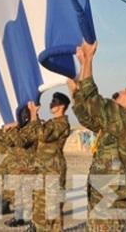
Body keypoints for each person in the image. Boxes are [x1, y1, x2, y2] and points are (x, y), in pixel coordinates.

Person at [68, 40, 126, 232]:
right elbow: (87, 117)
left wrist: (88, 60)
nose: (121, 92)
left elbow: (93, 100)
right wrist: (75, 91)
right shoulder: (117, 122)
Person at [22, 93, 72, 232]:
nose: (51, 104)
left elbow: (43, 135)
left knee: (52, 205)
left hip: (53, 170)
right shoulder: (51, 122)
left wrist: (34, 115)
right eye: (51, 101)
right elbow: (37, 132)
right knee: (39, 202)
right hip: (42, 168)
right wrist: (33, 116)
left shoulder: (62, 124)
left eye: (54, 101)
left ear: (62, 106)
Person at [2, 106, 36, 228]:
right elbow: (8, 142)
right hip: (17, 168)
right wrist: (9, 130)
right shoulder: (20, 129)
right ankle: (18, 217)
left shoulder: (32, 128)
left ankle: (34, 222)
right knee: (17, 195)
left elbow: (22, 142)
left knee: (30, 196)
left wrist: (13, 129)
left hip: (28, 168)